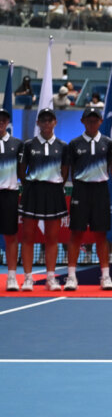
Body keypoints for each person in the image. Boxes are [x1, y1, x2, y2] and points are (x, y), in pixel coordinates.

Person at [62, 107, 112, 289]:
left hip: (101, 190)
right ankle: (71, 277)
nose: (92, 123)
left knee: (101, 235)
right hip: (81, 190)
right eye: (88, 120)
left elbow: (111, 167)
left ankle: (105, 276)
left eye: (95, 120)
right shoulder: (74, 144)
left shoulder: (108, 143)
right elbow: (70, 170)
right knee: (76, 234)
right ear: (83, 122)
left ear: (100, 122)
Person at [18, 109, 68, 290]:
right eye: (43, 121)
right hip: (33, 191)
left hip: (54, 192)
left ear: (55, 122)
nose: (46, 124)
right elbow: (21, 171)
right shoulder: (28, 145)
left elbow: (64, 171)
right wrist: (32, 184)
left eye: (50, 120)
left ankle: (50, 278)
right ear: (38, 123)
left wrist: (53, 185)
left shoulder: (63, 146)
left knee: (52, 237)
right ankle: (28, 278)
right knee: (28, 236)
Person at [0, 108, 22, 291]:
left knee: (11, 237)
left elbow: (22, 171)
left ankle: (12, 277)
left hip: (9, 194)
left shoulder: (17, 144)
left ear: (7, 122)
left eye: (3, 119)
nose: (0, 122)